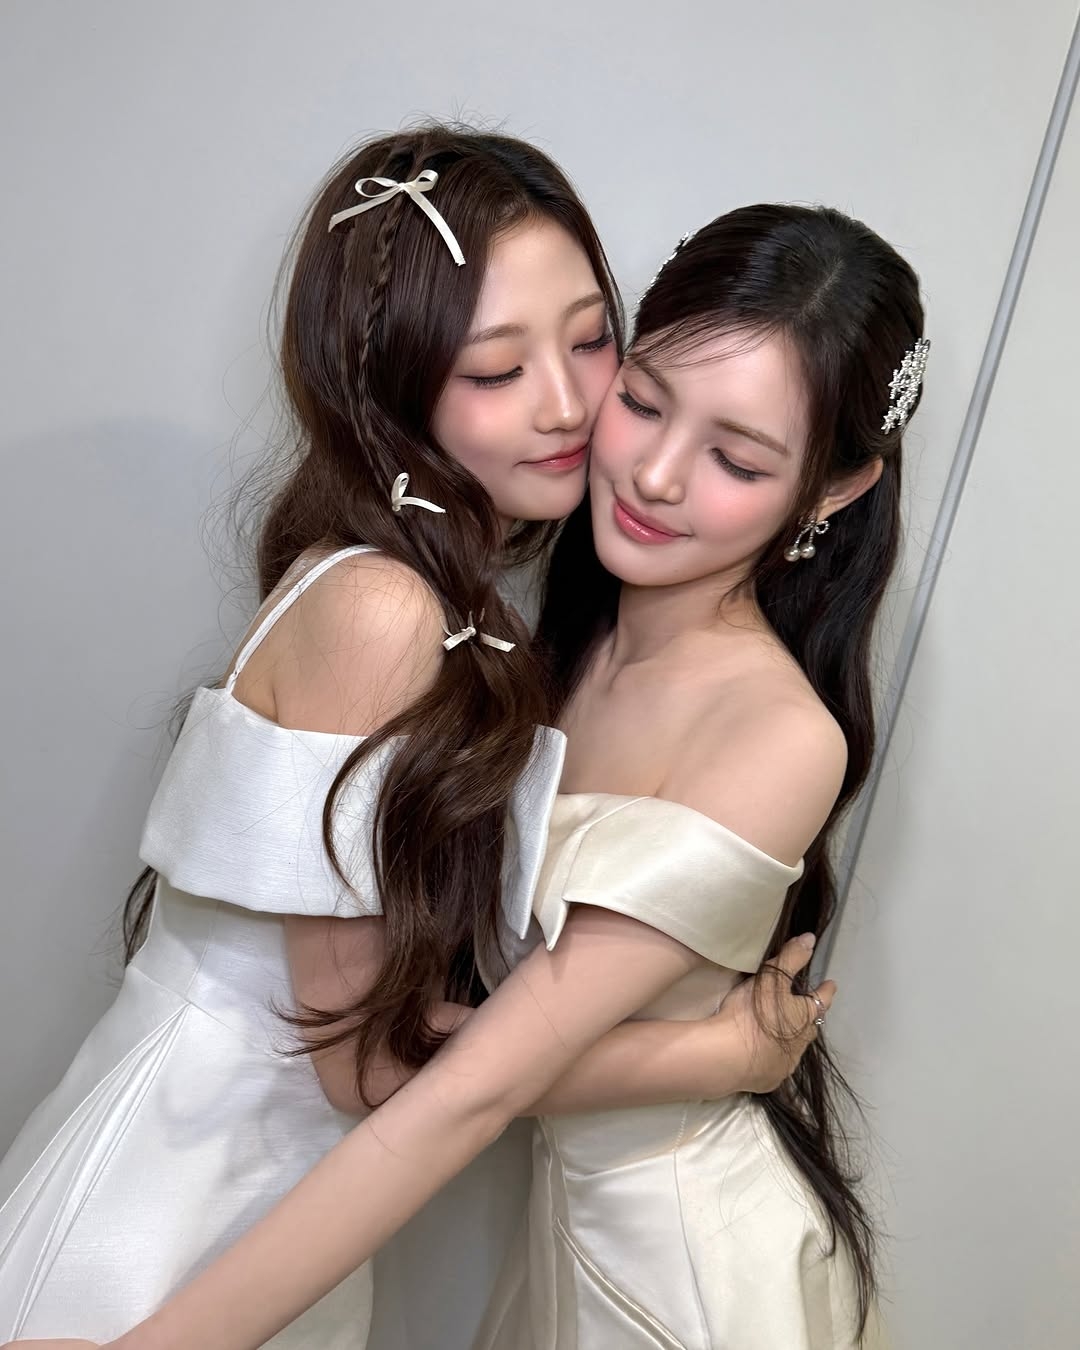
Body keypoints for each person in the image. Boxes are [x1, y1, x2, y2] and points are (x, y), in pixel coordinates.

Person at [4, 201, 924, 1350]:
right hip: (540, 1238)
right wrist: (714, 1052)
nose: (654, 476)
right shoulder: (538, 658)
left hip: (687, 1277)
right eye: (642, 402)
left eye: (737, 460)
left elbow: (468, 1087)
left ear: (831, 492)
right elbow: (416, 1049)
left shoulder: (780, 737)